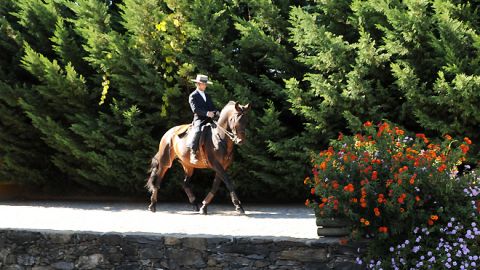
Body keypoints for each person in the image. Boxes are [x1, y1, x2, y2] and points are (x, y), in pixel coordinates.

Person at [187, 74, 219, 163]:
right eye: (203, 84)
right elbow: (195, 109)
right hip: (199, 119)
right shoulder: (193, 95)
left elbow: (211, 107)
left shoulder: (207, 96)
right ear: (198, 84)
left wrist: (216, 111)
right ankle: (192, 153)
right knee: (198, 131)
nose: (205, 86)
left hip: (210, 118)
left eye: (205, 84)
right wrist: (206, 113)